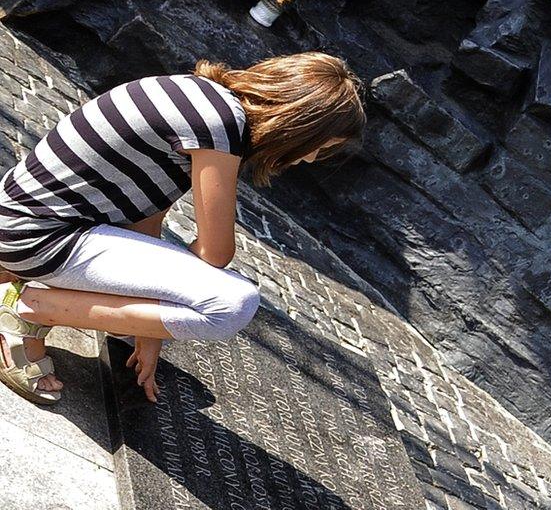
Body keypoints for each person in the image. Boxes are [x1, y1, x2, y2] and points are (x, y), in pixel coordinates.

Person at [0, 52, 365, 405]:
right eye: (319, 147)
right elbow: (216, 252)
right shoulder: (220, 128)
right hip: (38, 236)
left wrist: (152, 327)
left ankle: (35, 290)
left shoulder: (199, 94)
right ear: (302, 125)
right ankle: (29, 310)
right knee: (232, 304)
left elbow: (145, 217)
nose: (310, 158)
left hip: (26, 222)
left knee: (146, 320)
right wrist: (161, 314)